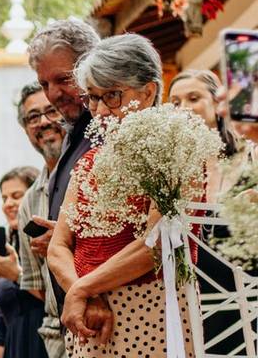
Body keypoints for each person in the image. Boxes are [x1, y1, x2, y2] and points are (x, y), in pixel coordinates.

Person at [48, 34, 195, 357]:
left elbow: (154, 245)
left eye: (112, 95)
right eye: (92, 98)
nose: (99, 111)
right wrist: (83, 293)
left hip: (148, 311)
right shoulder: (88, 162)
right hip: (86, 317)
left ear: (149, 91)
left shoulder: (174, 152)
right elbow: (58, 245)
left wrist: (84, 288)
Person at [168, 69, 255, 354]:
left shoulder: (251, 154)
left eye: (194, 98)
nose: (184, 108)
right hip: (199, 303)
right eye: (175, 102)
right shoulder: (171, 172)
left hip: (250, 297)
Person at [26, 19, 99, 315]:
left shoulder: (108, 131)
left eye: (63, 79)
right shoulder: (73, 134)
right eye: (44, 84)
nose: (53, 94)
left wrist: (68, 235)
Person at [12, 83, 66, 358]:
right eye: (33, 117)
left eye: (52, 111)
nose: (44, 122)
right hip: (57, 337)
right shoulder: (29, 203)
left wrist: (64, 244)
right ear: (25, 129)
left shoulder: (92, 173)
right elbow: (35, 284)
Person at [0, 167, 46, 358]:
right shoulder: (8, 248)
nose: (8, 204)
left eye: (16, 196)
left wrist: (17, 276)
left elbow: (58, 302)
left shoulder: (47, 243)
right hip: (13, 348)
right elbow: (0, 328)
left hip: (44, 346)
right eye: (4, 198)